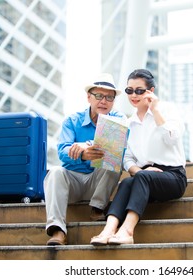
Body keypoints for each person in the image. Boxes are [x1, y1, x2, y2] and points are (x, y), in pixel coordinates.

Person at [90, 69, 187, 246]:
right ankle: (108, 229)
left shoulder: (168, 110)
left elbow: (172, 139)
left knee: (141, 177)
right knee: (127, 182)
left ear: (151, 90)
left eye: (139, 90)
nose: (133, 95)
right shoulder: (129, 123)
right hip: (145, 176)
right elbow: (127, 157)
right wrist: (138, 171)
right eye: (129, 90)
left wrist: (155, 111)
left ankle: (127, 231)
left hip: (173, 176)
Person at [45, 73, 125, 246]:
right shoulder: (72, 121)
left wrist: (86, 145)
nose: (104, 101)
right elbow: (63, 151)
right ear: (89, 97)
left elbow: (118, 150)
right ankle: (57, 231)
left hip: (99, 185)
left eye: (109, 97)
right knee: (55, 171)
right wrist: (82, 154)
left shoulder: (119, 120)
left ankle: (97, 208)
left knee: (113, 160)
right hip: (72, 183)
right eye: (99, 96)